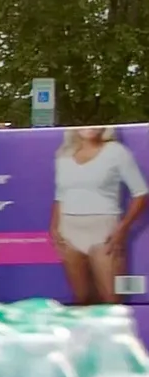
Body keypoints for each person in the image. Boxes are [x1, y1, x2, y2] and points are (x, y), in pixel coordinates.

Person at [51, 126, 149, 304]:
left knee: (111, 301)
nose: (91, 127)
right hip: (69, 231)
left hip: (104, 232)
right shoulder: (63, 156)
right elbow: (60, 195)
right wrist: (54, 227)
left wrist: (122, 229)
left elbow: (141, 193)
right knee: (81, 300)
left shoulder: (116, 152)